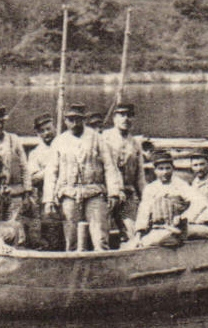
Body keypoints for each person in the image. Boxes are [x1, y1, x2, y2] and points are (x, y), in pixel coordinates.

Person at [43, 102, 124, 251]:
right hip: (69, 192)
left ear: (84, 119)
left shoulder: (97, 138)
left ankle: (101, 260)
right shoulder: (59, 141)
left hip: (94, 191)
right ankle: (73, 262)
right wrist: (49, 199)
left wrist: (113, 193)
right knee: (71, 237)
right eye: (71, 119)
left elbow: (109, 167)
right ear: (65, 120)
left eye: (78, 119)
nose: (75, 123)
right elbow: (51, 172)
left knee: (100, 236)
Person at [100, 103, 145, 247]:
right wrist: (114, 190)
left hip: (128, 193)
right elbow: (107, 166)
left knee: (132, 232)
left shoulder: (135, 143)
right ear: (114, 118)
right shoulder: (104, 138)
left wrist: (144, 196)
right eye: (122, 115)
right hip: (107, 193)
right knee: (101, 233)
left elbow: (140, 173)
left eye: (129, 115)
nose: (126, 119)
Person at [133, 149, 193, 248]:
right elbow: (143, 212)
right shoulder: (150, 188)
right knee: (136, 243)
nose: (165, 172)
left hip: (176, 231)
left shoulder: (181, 185)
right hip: (157, 229)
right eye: (161, 169)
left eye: (168, 168)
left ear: (173, 168)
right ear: (155, 170)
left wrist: (183, 217)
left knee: (150, 241)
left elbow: (197, 203)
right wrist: (139, 233)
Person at [25, 113, 63, 250]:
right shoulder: (36, 153)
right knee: (51, 232)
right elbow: (33, 178)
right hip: (47, 198)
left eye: (48, 129)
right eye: (42, 131)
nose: (46, 133)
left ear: (54, 128)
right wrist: (52, 169)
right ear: (37, 134)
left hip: (67, 194)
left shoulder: (65, 145)